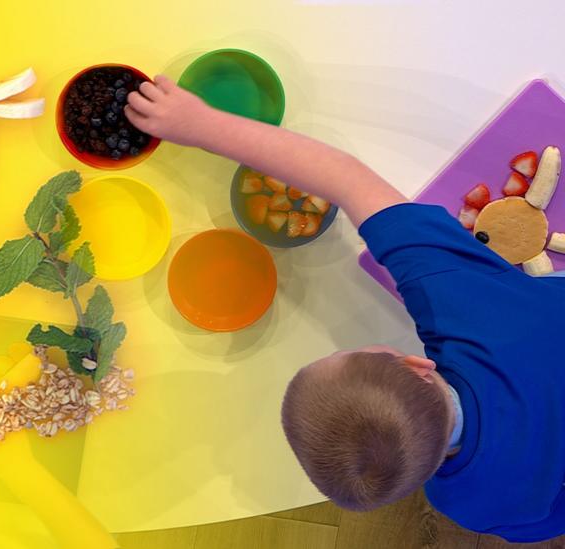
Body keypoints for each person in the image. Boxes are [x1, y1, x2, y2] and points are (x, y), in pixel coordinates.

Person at [125, 76, 565, 543]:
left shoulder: (468, 503)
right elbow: (345, 175)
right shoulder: (457, 300)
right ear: (416, 366)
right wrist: (200, 124)